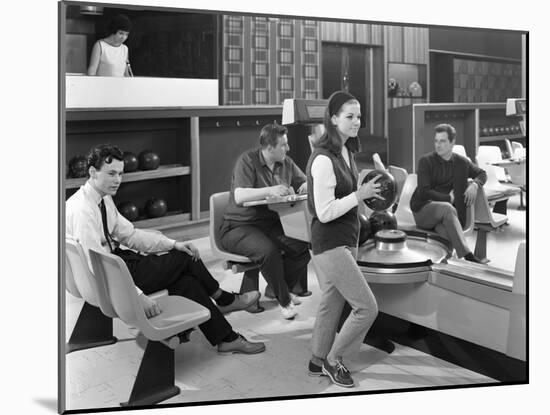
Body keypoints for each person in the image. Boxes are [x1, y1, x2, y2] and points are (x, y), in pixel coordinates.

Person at [66, 144, 265, 355]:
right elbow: (96, 266)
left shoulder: (102, 198)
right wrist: (137, 295)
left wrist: (173, 243)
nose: (117, 180)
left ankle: (226, 339)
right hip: (116, 277)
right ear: (92, 172)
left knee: (186, 282)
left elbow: (130, 235)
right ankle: (224, 299)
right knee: (184, 258)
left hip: (120, 265)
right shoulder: (82, 211)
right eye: (111, 173)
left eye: (121, 174)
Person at [306, 91, 383, 388]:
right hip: (330, 243)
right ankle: (333, 360)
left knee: (331, 301)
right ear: (334, 118)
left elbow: (348, 195)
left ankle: (316, 360)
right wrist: (358, 195)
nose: (356, 122)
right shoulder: (324, 159)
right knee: (367, 307)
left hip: (346, 238)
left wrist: (367, 192)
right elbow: (324, 213)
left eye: (359, 116)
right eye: (349, 116)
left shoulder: (347, 151)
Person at [219, 123, 311, 320]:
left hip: (268, 223)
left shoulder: (285, 162)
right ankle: (284, 300)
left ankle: (276, 288)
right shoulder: (247, 160)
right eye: (284, 145)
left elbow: (303, 180)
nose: (288, 148)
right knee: (268, 251)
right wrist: (270, 190)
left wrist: (304, 185)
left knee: (302, 245)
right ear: (269, 148)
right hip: (238, 226)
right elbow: (240, 196)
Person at [410, 123, 487, 263]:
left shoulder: (462, 163)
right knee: (447, 208)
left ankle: (448, 264)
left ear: (452, 143)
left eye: (443, 141)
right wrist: (448, 198)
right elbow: (423, 192)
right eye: (436, 141)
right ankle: (468, 256)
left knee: (446, 233)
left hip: (447, 217)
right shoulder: (425, 161)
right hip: (423, 211)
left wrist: (475, 184)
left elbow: (482, 174)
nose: (438, 145)